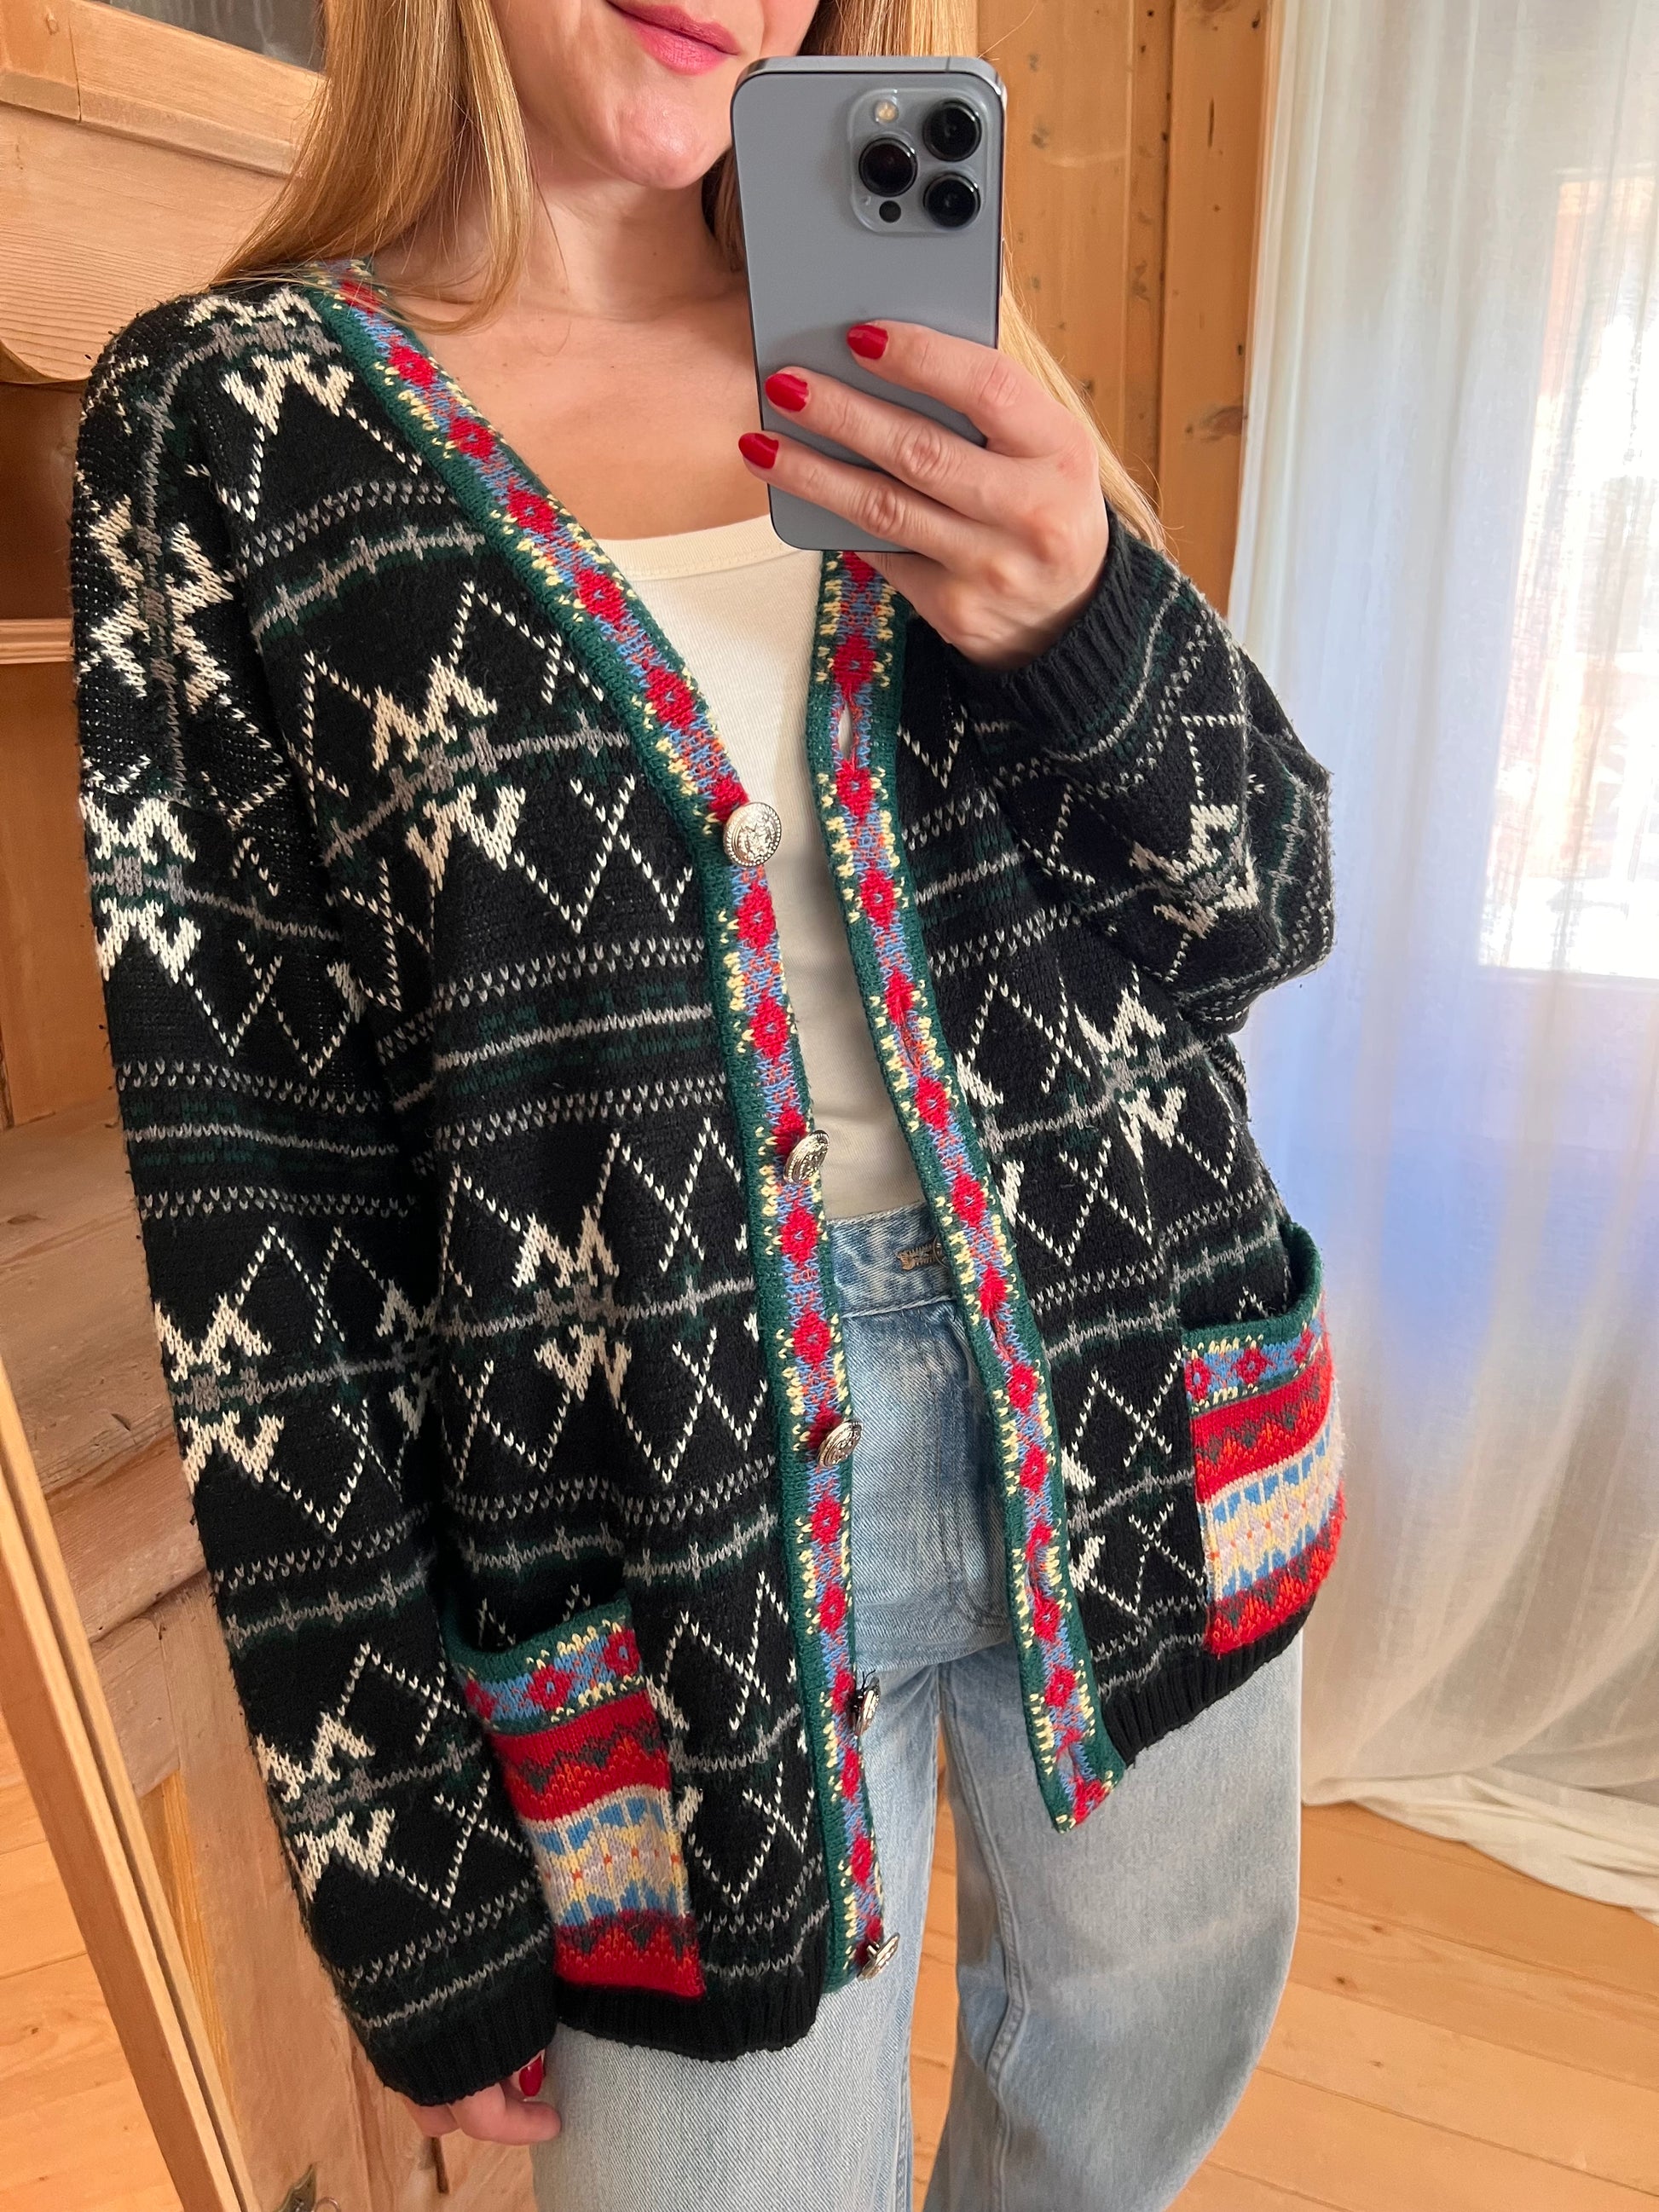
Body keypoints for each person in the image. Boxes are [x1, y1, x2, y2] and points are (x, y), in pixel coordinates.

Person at [68, 1, 1341, 2204]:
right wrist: (408, 1874)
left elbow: (1264, 906)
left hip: (1139, 1399)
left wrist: (1078, 614)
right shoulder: (226, 429)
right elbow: (251, 1195)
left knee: (1129, 2085)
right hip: (653, 1529)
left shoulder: (920, 348)